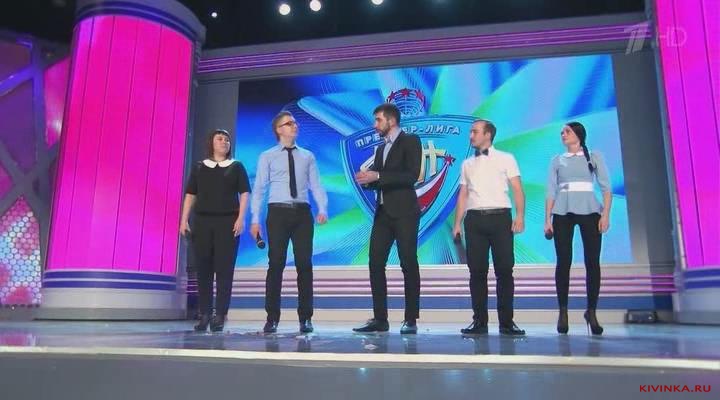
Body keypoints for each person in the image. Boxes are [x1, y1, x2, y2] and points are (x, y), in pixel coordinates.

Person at [250, 111, 328, 334]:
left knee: (305, 264)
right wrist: (255, 219)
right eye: (289, 123)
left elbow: (316, 185)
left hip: (302, 213)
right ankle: (272, 318)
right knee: (276, 264)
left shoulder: (307, 156)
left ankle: (306, 318)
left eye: (295, 123)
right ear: (279, 130)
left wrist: (322, 208)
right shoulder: (267, 156)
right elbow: (259, 189)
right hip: (278, 213)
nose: (294, 126)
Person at [452, 119, 526, 336]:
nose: (471, 135)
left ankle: (507, 322)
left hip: (500, 218)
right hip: (474, 220)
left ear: (488, 135)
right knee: (476, 272)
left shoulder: (506, 158)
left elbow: (517, 189)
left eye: (475, 132)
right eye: (470, 132)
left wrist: (520, 216)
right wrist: (457, 223)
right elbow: (463, 195)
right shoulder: (467, 164)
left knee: (504, 271)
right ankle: (479, 322)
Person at [353, 103, 422, 335]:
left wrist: (378, 175)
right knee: (375, 263)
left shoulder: (410, 141)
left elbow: (411, 176)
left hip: (405, 212)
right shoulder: (381, 149)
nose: (375, 125)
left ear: (391, 121)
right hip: (382, 213)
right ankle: (380, 319)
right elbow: (381, 180)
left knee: (408, 263)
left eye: (378, 120)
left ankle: (410, 319)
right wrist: (368, 181)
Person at [545, 121, 611, 335]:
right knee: (563, 261)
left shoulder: (594, 157)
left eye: (567, 131)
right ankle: (563, 311)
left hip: (590, 211)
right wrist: (547, 219)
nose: (563, 134)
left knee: (592, 262)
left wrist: (605, 215)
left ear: (578, 134)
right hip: (562, 212)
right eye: (562, 132)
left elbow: (606, 188)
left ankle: (591, 311)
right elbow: (551, 191)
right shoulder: (557, 160)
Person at [180, 129, 250, 332]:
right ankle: (204, 314)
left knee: (224, 270)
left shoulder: (236, 167)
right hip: (202, 222)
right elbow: (191, 194)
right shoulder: (200, 167)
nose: (224, 142)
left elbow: (244, 193)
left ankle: (220, 315)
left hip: (227, 223)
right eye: (220, 139)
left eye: (227, 139)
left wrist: (240, 218)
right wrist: (184, 219)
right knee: (203, 269)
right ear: (211, 142)